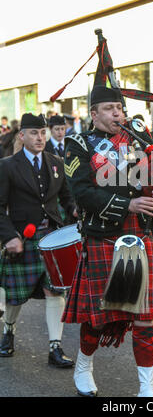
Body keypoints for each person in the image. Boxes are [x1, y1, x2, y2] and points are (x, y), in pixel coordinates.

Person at [62, 85, 153, 397]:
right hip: (103, 236)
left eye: (119, 108)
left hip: (139, 235)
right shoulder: (78, 144)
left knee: (144, 319)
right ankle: (84, 365)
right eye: (109, 108)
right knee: (99, 319)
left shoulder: (139, 138)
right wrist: (128, 205)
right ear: (93, 114)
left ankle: (146, 390)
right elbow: (82, 192)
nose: (117, 113)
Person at [0, 113, 77, 368]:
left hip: (52, 237)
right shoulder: (8, 165)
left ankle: (55, 346)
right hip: (23, 237)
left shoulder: (56, 162)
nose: (40, 137)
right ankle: (8, 330)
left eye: (43, 133)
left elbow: (67, 198)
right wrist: (10, 237)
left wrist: (77, 211)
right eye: (34, 133)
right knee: (16, 293)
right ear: (22, 136)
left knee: (54, 290)